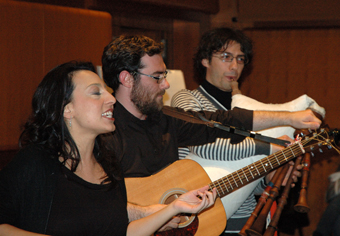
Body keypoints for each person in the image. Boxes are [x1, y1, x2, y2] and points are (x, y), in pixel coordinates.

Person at [101, 35, 321, 232]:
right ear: (127, 79)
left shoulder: (166, 119)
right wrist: (154, 214)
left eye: (165, 75)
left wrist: (288, 118)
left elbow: (224, 122)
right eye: (157, 77)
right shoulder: (102, 135)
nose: (166, 84)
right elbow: (95, 202)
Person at [0, 61, 217, 236]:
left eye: (108, 92)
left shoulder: (108, 164)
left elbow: (122, 231)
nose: (111, 99)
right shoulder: (35, 163)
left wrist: (175, 207)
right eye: (96, 93)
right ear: (67, 110)